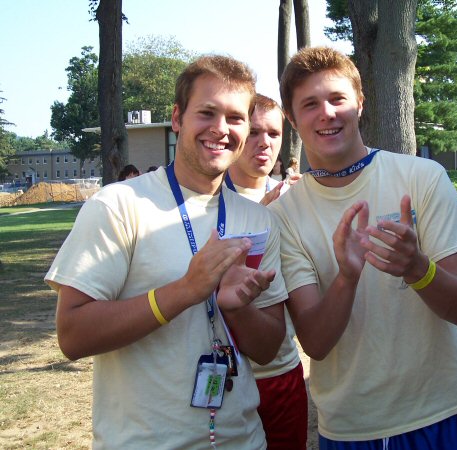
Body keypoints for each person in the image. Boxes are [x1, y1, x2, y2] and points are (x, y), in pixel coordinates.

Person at [45, 55, 288, 450]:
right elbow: (72, 335)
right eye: (206, 112)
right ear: (177, 118)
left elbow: (267, 349)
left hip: (243, 440)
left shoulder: (258, 220)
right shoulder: (118, 206)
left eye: (235, 117)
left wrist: (236, 308)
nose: (221, 129)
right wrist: (185, 290)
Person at [270, 46, 457, 449]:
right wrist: (346, 278)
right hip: (353, 428)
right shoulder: (283, 216)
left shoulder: (422, 177)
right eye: (310, 104)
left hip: (443, 412)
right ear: (292, 118)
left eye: (337, 99)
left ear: (360, 103)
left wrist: (418, 269)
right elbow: (315, 343)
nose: (327, 113)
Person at [226, 93, 307, 450]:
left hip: (280, 368)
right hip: (228, 373)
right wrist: (258, 215)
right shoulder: (209, 198)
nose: (264, 143)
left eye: (273, 133)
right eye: (254, 132)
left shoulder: (297, 197)